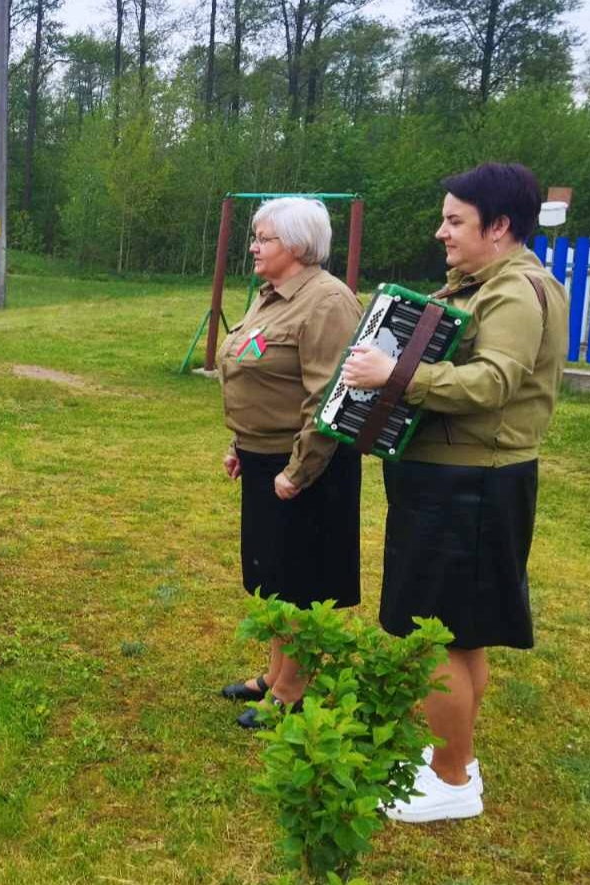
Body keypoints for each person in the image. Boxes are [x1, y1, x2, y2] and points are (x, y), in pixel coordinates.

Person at [340, 162, 567, 823]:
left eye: (454, 220)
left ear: (498, 226)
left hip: (470, 487)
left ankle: (448, 778)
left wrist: (396, 373)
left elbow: (494, 382)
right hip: (458, 482)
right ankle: (454, 758)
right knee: (461, 633)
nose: (441, 231)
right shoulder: (481, 286)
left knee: (430, 633)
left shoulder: (515, 293)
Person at [217, 197, 363, 729]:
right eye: (255, 236)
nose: (254, 246)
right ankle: (275, 672)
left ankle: (292, 691)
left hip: (304, 466)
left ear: (298, 246)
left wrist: (296, 470)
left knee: (300, 580)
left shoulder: (327, 302)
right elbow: (255, 372)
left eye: (265, 238)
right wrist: (241, 444)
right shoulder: (270, 297)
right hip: (264, 459)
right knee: (273, 577)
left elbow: (329, 397)